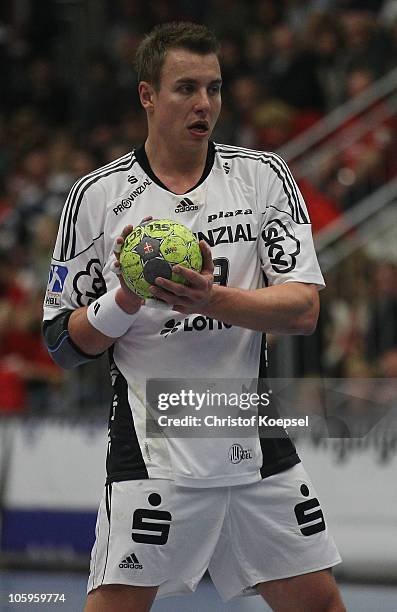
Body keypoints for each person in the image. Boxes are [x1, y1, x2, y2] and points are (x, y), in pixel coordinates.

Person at [43, 22, 345, 612]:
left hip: (249, 434)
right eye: (185, 88)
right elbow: (61, 344)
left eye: (214, 88)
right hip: (153, 445)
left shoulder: (263, 177)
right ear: (147, 95)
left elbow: (304, 309)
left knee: (321, 606)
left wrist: (210, 299)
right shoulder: (98, 197)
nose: (204, 104)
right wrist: (125, 298)